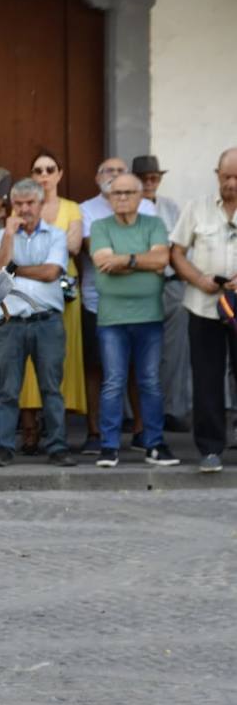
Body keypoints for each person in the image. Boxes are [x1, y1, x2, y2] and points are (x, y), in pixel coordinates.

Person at [89, 173, 176, 467]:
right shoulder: (100, 227)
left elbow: (161, 260)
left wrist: (124, 260)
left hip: (149, 316)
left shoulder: (154, 224)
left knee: (150, 381)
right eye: (116, 193)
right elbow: (103, 262)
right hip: (111, 319)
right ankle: (109, 446)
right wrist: (143, 261)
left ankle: (155, 444)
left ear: (141, 197)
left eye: (128, 193)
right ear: (109, 198)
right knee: (113, 382)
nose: (122, 198)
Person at [0, 179, 74, 467]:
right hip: (11, 323)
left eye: (30, 203)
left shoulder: (57, 235)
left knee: (51, 388)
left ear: (40, 204)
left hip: (47, 322)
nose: (24, 209)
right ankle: (3, 447)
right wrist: (9, 237)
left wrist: (16, 269)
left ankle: (58, 447)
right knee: (8, 390)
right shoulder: (1, 236)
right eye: (19, 203)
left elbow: (51, 272)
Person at [79, 158, 157, 454]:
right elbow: (97, 255)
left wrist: (120, 257)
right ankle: (95, 433)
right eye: (108, 171)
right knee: (97, 368)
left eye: (120, 171)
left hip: (142, 303)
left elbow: (158, 253)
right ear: (98, 177)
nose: (114, 176)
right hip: (97, 301)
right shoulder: (87, 209)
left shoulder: (147, 207)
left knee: (140, 369)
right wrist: (136, 257)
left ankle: (141, 430)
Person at [169, 147, 237, 473]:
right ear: (217, 175)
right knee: (206, 379)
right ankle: (210, 450)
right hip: (203, 306)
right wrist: (198, 278)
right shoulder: (197, 208)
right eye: (226, 177)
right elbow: (177, 252)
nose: (231, 183)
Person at [15, 152, 87, 450]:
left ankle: (56, 431)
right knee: (27, 365)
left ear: (59, 173)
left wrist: (34, 258)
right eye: (37, 170)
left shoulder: (73, 208)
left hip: (62, 292)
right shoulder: (22, 208)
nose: (43, 174)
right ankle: (29, 428)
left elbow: (73, 246)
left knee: (58, 361)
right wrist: (49, 253)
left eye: (49, 169)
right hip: (24, 297)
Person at [133, 155, 190, 431]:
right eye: (143, 178)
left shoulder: (170, 207)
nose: (149, 183)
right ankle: (134, 415)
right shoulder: (127, 206)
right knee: (134, 350)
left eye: (154, 177)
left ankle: (172, 409)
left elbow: (180, 246)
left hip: (169, 282)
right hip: (137, 286)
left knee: (174, 350)